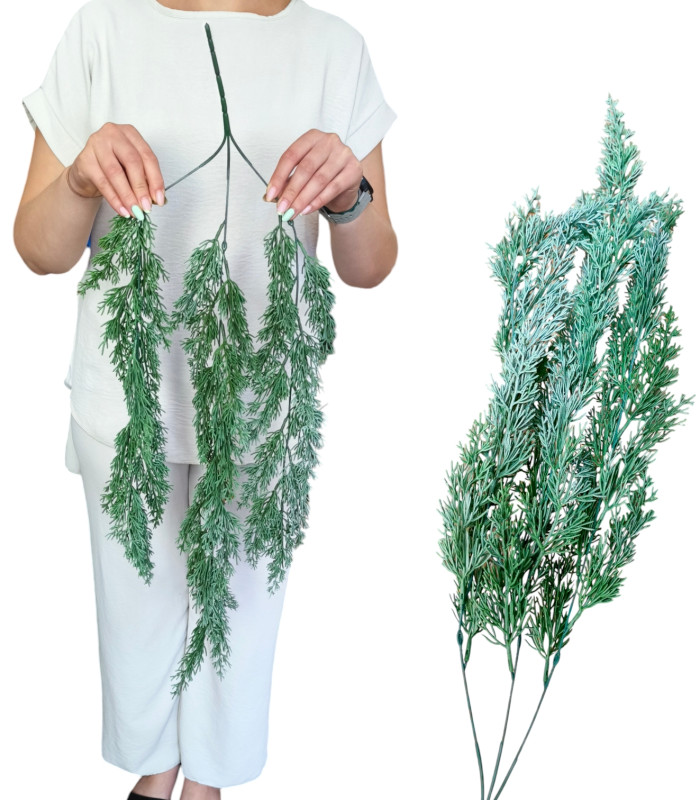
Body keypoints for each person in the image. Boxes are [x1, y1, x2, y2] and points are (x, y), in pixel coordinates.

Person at [13, 0, 397, 798]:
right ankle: (154, 775)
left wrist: (349, 195)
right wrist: (81, 177)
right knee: (136, 619)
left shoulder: (335, 49)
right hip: (129, 397)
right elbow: (40, 249)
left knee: (242, 624)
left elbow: (369, 266)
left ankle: (207, 785)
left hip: (263, 399)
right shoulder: (102, 31)